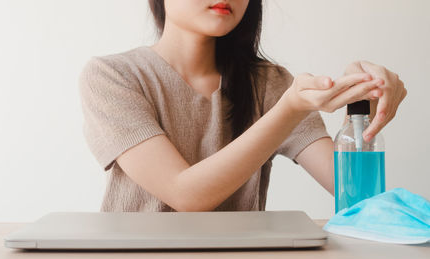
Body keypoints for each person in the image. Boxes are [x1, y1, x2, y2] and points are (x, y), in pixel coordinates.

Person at [78, 0, 406, 212]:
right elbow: (185, 195)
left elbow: (358, 199)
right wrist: (288, 109)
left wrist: (360, 102)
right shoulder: (112, 77)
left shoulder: (269, 83)